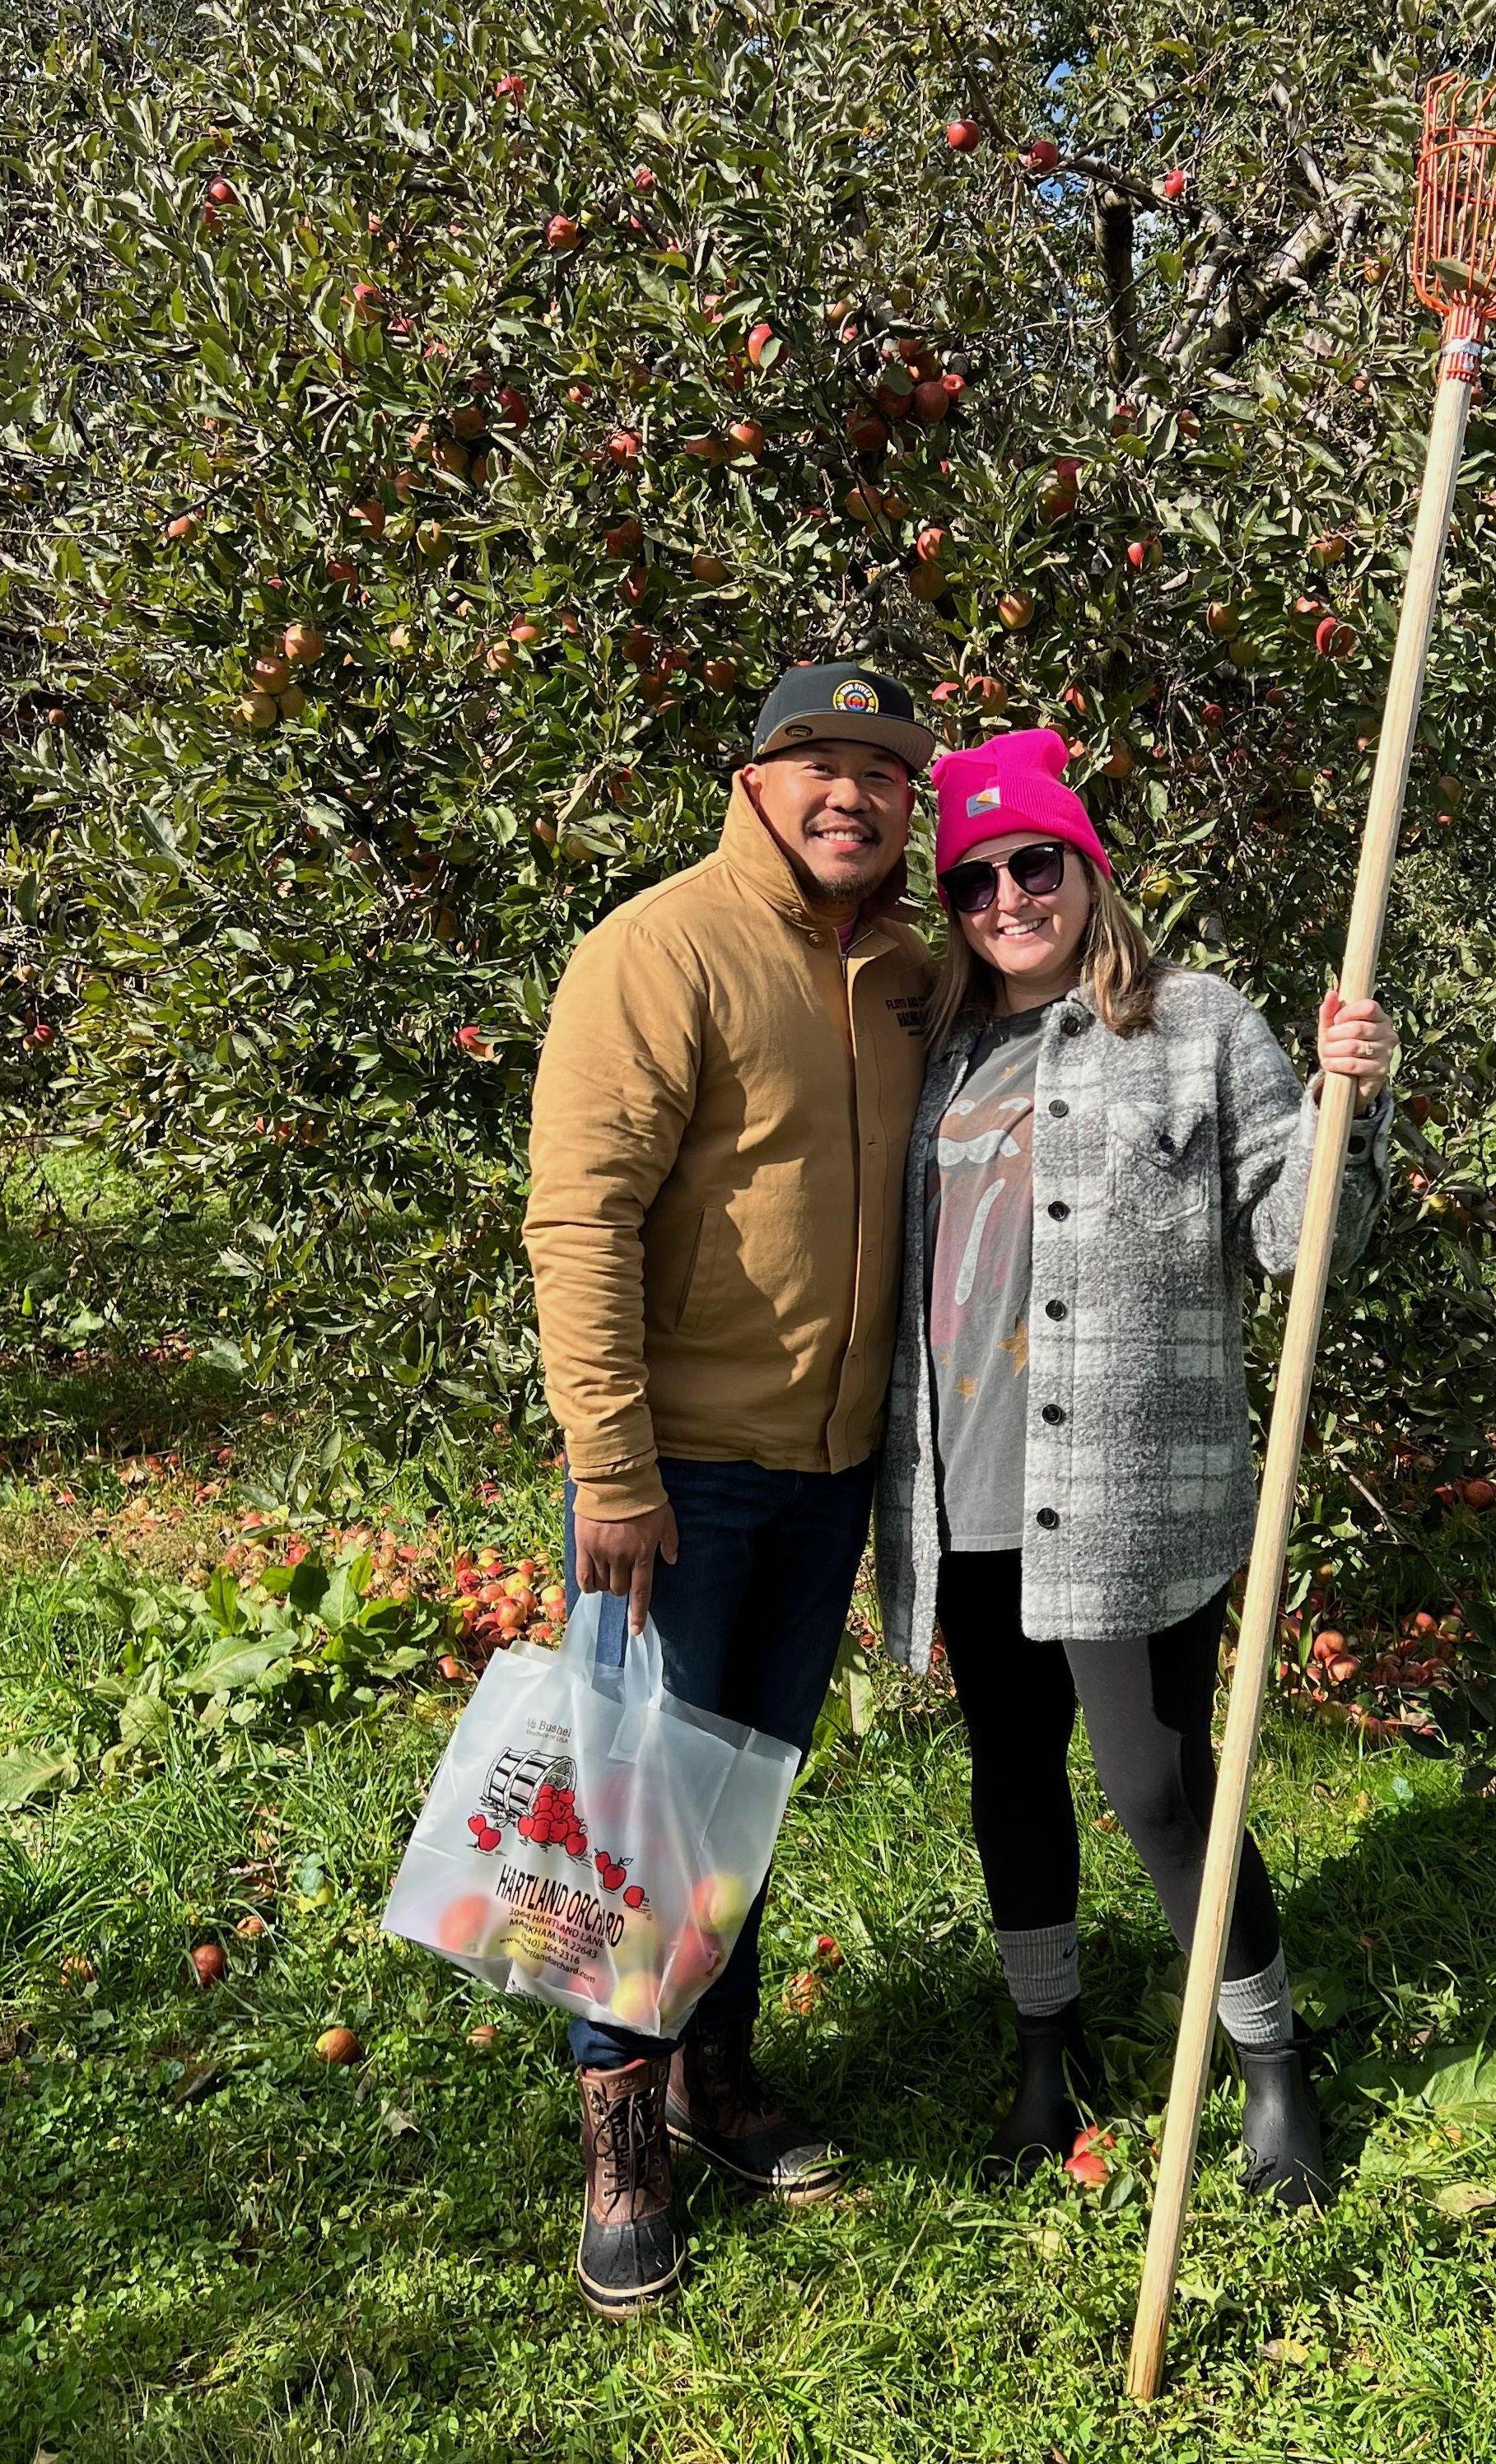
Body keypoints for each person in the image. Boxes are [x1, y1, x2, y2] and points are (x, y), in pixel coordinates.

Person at [874, 728, 1391, 2208]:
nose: (1005, 898)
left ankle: (1270, 2057)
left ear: (1088, 871)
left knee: (1156, 1784)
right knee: (1011, 1777)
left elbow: (1303, 1246)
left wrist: (1355, 1106)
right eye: (972, 880)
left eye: (1033, 863)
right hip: (959, 1475)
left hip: (1126, 1484)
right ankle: (1049, 2044)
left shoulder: (1198, 1022)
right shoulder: (937, 1046)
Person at [524, 661, 934, 2317]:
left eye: (887, 773)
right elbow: (581, 1216)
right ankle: (617, 2129)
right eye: (818, 762)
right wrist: (613, 1465)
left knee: (743, 1788)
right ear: (753, 783)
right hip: (675, 1473)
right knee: (630, 1803)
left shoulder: (913, 970)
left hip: (826, 1465)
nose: (855, 792)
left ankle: (714, 2072)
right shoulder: (661, 948)